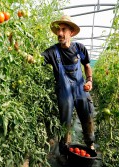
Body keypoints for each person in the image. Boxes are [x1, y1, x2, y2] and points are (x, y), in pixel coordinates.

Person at [42, 15, 95, 158]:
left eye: (63, 30)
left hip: (80, 88)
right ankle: (65, 151)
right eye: (58, 30)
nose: (60, 33)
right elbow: (36, 59)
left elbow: (87, 66)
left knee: (87, 115)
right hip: (64, 91)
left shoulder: (79, 49)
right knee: (65, 121)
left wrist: (89, 81)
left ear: (71, 32)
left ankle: (90, 144)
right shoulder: (52, 52)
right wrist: (23, 53)